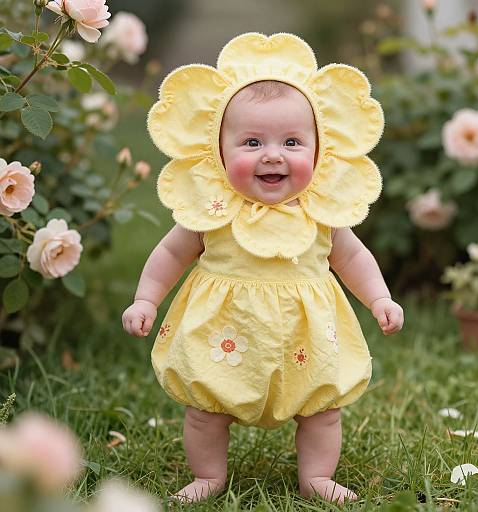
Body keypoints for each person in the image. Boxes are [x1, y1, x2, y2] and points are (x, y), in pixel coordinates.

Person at [121, 32, 404, 505]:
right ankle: (208, 475)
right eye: (252, 141)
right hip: (223, 338)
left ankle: (317, 476)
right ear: (218, 150)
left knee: (323, 412)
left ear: (319, 150)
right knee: (205, 412)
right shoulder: (211, 209)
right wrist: (146, 298)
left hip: (305, 341)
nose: (273, 155)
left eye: (292, 141)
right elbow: (170, 254)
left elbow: (352, 257)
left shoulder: (319, 212)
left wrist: (378, 298)